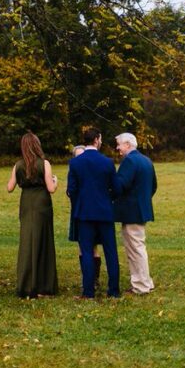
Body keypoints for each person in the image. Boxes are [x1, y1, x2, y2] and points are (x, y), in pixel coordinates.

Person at [66, 127, 120, 299]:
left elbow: (72, 190)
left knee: (87, 251)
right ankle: (113, 290)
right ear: (96, 139)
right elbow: (116, 189)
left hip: (84, 213)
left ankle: (88, 292)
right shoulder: (107, 162)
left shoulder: (75, 163)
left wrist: (80, 203)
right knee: (111, 251)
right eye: (101, 139)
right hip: (104, 212)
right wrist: (106, 198)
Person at [7, 131, 58, 298]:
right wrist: (56, 181)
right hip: (41, 203)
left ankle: (26, 284)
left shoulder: (18, 165)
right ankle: (44, 285)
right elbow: (51, 189)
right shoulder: (44, 164)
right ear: (37, 145)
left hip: (26, 203)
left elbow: (9, 187)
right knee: (43, 241)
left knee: (27, 240)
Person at [114, 132, 158, 295]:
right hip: (141, 209)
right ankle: (146, 281)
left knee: (135, 249)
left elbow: (120, 185)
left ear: (127, 144)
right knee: (139, 246)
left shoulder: (130, 161)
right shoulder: (146, 160)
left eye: (119, 144)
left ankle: (141, 285)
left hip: (131, 211)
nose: (117, 148)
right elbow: (153, 186)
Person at [67, 145, 102, 289]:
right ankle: (88, 278)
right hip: (78, 211)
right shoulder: (74, 171)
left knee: (93, 247)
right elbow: (70, 191)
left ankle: (94, 279)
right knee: (82, 246)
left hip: (91, 211)